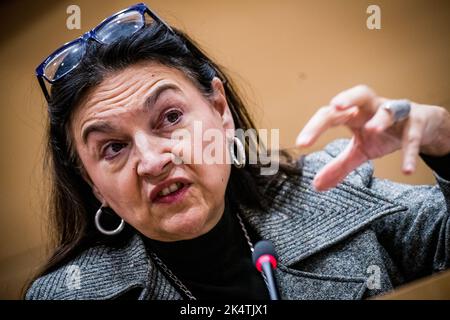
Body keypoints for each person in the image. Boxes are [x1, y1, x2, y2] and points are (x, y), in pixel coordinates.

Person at [25, 3, 450, 300]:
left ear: (219, 108)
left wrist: (443, 140)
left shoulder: (337, 191)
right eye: (113, 147)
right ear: (91, 182)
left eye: (170, 118)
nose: (153, 161)